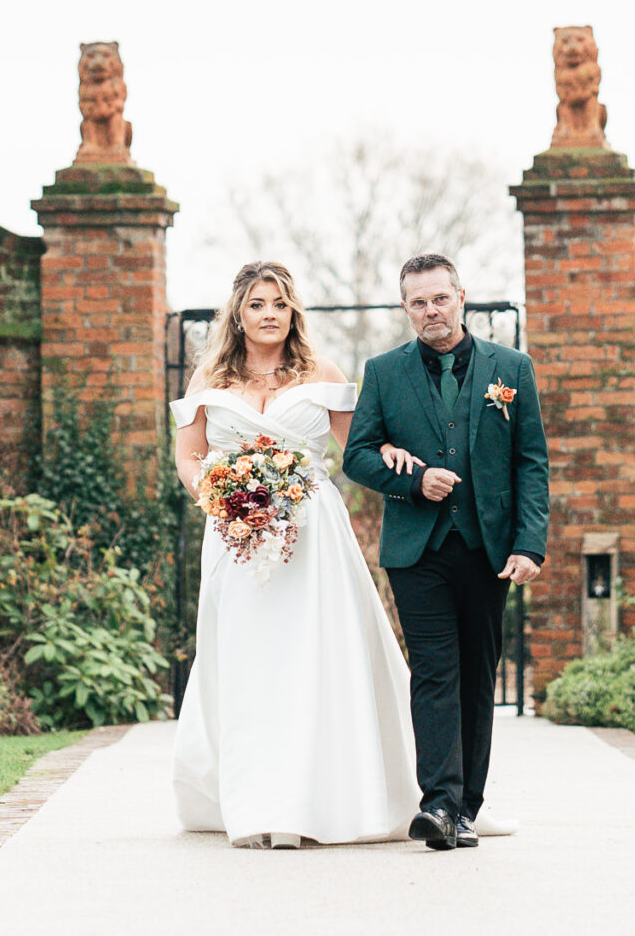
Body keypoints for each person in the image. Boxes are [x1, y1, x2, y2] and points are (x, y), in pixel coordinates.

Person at [169, 260, 417, 848]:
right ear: (238, 313)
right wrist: (222, 498)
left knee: (312, 654)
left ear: (293, 312)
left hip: (313, 536)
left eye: (280, 304)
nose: (269, 314)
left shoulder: (320, 371)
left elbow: (358, 447)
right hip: (236, 537)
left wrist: (398, 458)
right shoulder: (208, 379)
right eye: (257, 304)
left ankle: (317, 798)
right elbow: (188, 456)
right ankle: (256, 803)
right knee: (248, 659)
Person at [343, 252, 550, 852]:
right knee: (434, 672)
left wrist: (529, 543)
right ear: (404, 307)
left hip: (489, 548)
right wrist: (410, 480)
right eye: (417, 302)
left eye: (439, 298)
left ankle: (468, 809)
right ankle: (436, 802)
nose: (430, 311)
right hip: (418, 548)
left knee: (477, 677)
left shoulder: (511, 367)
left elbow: (530, 462)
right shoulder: (383, 372)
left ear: (462, 297)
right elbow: (357, 454)